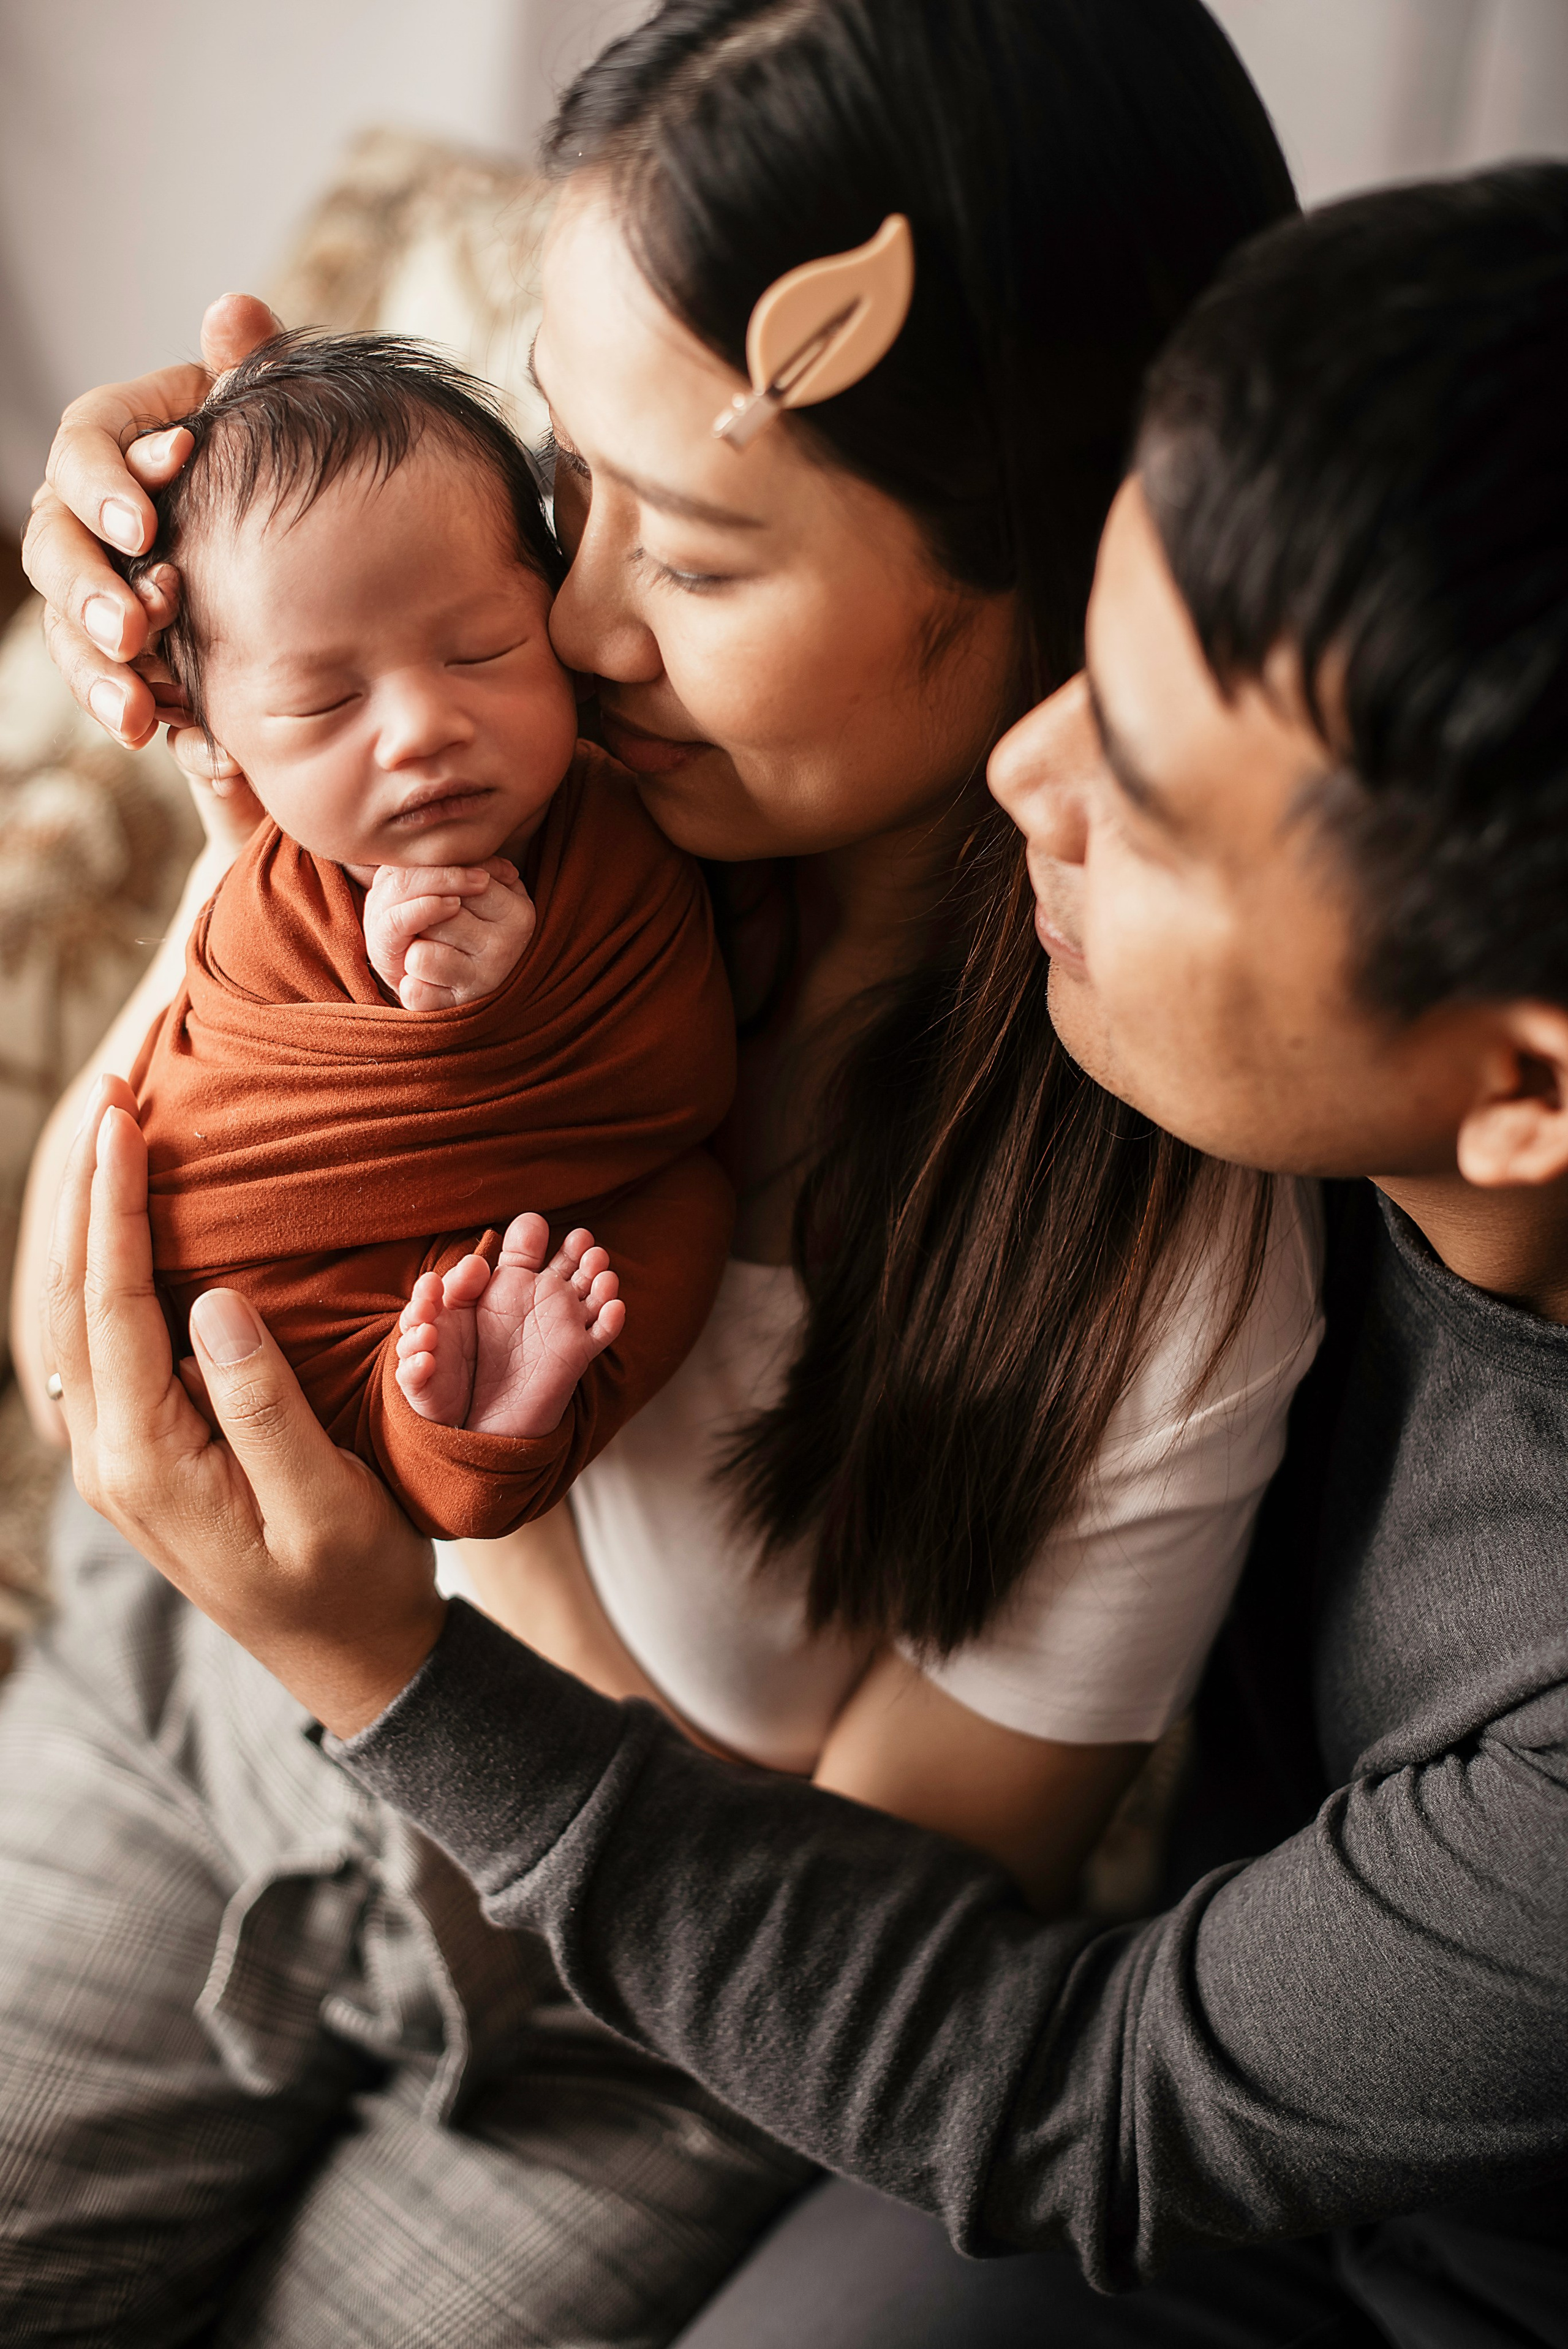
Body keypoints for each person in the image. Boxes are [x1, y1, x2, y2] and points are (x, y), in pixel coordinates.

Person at [44, 160, 1568, 2349]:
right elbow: (113, 1298)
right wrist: (216, 626)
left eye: (1136, 768)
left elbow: (1032, 2063)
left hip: (715, 2013)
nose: (560, 620)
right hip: (224, 1716)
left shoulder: (1171, 1194)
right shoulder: (539, 772)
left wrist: (419, 1625)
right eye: (575, 488)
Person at [127, 328, 736, 1540]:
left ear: (552, 608)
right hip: (274, 1299)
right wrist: (417, 1014)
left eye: (481, 651)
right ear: (212, 737)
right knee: (278, 1338)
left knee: (677, 1223)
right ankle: (440, 1413)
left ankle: (486, 1421)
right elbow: (204, 1107)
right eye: (322, 701)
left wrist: (516, 1000)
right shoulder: (260, 894)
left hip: (538, 1237)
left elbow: (679, 1066)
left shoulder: (622, 815)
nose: (418, 726)